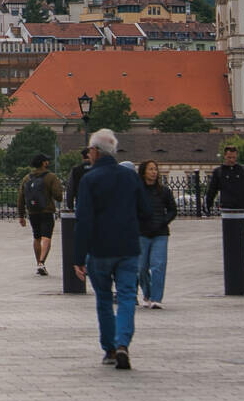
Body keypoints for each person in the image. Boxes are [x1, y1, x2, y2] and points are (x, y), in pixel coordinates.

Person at [70, 129, 151, 370]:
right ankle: (123, 342)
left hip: (100, 248)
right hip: (127, 246)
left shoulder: (90, 179)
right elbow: (145, 211)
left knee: (104, 299)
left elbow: (83, 220)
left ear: (94, 151)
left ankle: (110, 349)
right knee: (127, 296)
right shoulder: (130, 177)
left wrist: (78, 257)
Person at [136, 160, 178, 309]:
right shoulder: (137, 191)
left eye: (155, 169)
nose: (154, 172)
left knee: (158, 265)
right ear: (143, 172)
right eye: (150, 169)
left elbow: (173, 210)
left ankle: (156, 298)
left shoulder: (164, 191)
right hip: (141, 233)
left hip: (160, 233)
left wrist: (163, 221)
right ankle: (147, 293)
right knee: (141, 267)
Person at [16, 155, 65, 277]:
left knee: (37, 236)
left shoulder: (27, 178)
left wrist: (21, 215)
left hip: (33, 212)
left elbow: (21, 198)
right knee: (46, 236)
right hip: (47, 211)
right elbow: (58, 196)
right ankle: (42, 262)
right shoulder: (51, 177)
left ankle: (38, 262)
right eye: (47, 160)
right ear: (44, 163)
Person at [207, 144, 244, 216]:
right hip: (226, 207)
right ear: (224, 156)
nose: (232, 160)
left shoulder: (243, 170)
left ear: (236, 156)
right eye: (229, 157)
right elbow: (212, 190)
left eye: (234, 157)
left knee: (240, 226)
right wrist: (208, 206)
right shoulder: (219, 171)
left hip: (242, 207)